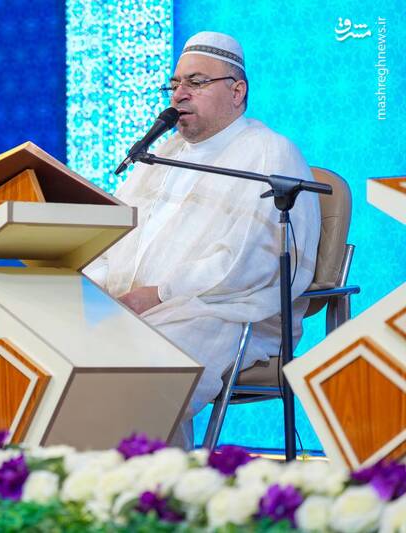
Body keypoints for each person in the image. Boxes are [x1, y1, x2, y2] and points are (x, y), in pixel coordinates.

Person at [85, 31, 320, 446]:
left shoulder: (269, 153)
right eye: (175, 84)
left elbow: (249, 263)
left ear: (237, 91)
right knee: (61, 350)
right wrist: (93, 285)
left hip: (224, 311)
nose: (179, 95)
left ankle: (149, 482)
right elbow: (113, 232)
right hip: (132, 306)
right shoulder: (161, 153)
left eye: (196, 82)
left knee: (132, 371)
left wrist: (158, 295)